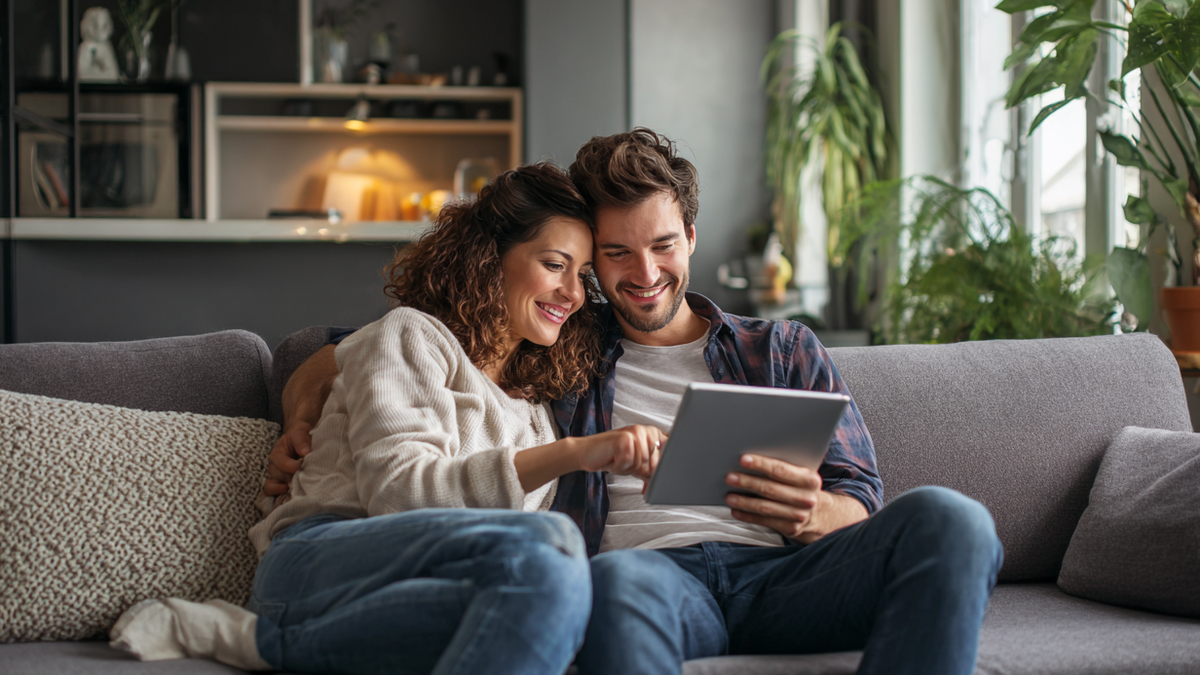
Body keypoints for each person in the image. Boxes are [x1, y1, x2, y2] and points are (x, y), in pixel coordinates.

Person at [268, 129, 1005, 675]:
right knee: (616, 581)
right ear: (593, 261)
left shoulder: (781, 349)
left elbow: (862, 499)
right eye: (616, 253)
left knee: (954, 519)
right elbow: (355, 345)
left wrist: (814, 512)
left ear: (691, 237)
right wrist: (302, 407)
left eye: (662, 245)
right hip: (651, 578)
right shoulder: (562, 342)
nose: (645, 274)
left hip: (787, 577)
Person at [108, 163, 665, 675]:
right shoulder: (411, 336)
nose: (572, 294)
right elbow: (399, 496)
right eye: (554, 265)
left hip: (426, 590)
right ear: (488, 259)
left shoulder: (538, 412)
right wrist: (576, 454)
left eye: (583, 274)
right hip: (320, 563)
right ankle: (267, 636)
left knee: (558, 587)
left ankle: (265, 644)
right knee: (549, 543)